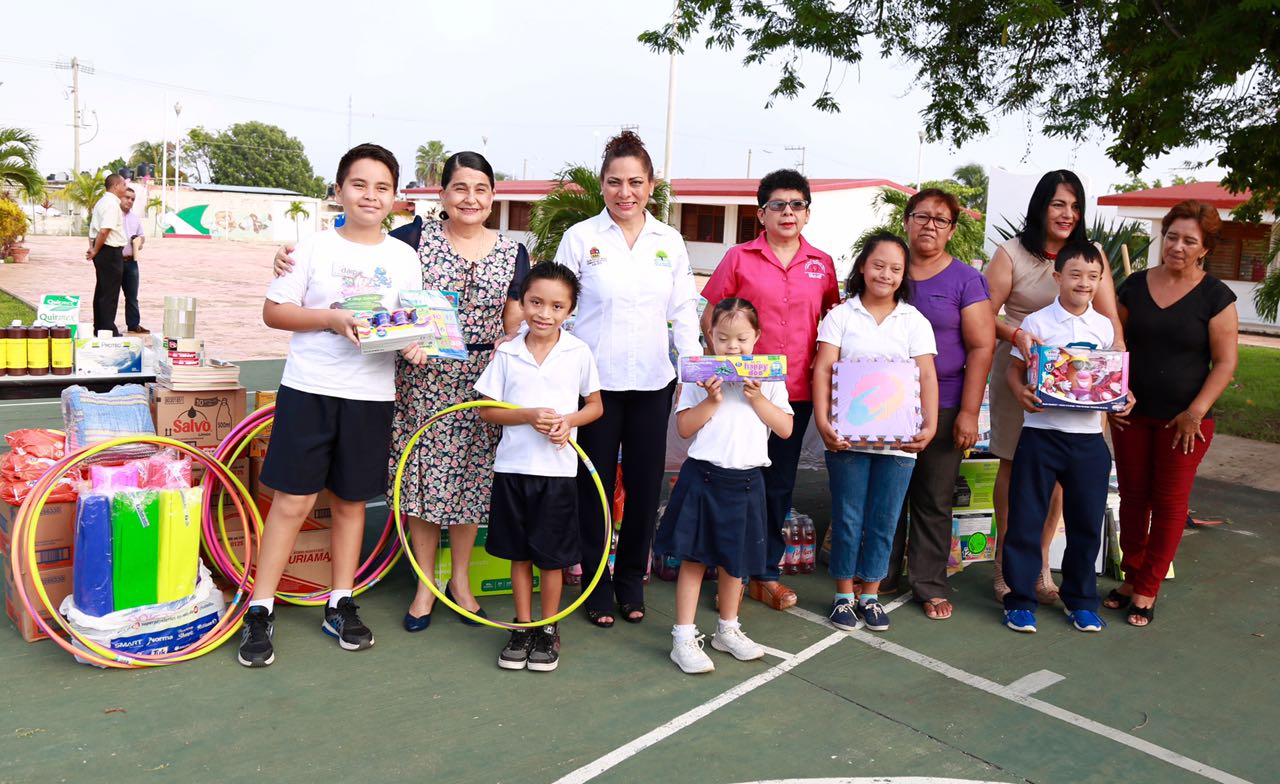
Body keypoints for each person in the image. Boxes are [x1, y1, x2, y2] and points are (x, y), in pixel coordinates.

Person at [275, 151, 527, 632]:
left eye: (480, 190)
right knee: (422, 484)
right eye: (459, 188)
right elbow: (358, 251)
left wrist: (510, 344)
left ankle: (460, 584)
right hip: (420, 374)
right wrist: (288, 257)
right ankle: (424, 586)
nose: (469, 199)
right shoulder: (412, 239)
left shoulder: (513, 251)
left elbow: (514, 317)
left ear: (492, 197)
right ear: (442, 195)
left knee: (470, 483)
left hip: (483, 379)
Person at [239, 143, 427, 667]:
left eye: (382, 187)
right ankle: (260, 606)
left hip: (371, 396)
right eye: (360, 184)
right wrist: (329, 319)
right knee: (292, 502)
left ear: (395, 197)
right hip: (311, 389)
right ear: (340, 189)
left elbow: (411, 326)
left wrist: (415, 345)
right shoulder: (311, 247)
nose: (371, 195)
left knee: (349, 502)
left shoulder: (403, 256)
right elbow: (274, 312)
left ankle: (340, 600)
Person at [555, 131, 701, 627]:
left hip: (653, 384)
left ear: (651, 185)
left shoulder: (670, 241)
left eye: (635, 182)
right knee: (592, 488)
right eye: (615, 182)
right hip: (595, 387)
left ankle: (630, 582)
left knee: (643, 488)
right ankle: (595, 587)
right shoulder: (581, 238)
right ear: (602, 185)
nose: (625, 192)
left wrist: (695, 366)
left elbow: (683, 309)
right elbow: (562, 311)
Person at [699, 169, 839, 612]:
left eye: (796, 204)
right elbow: (711, 318)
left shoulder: (822, 263)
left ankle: (762, 573)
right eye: (777, 204)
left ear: (808, 213)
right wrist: (724, 367)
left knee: (777, 486)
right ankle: (724, 571)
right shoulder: (739, 258)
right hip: (738, 392)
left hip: (791, 392)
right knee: (731, 479)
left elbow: (832, 322)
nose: (787, 212)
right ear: (761, 213)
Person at [984, 170, 1123, 604]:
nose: (1068, 214)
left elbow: (1111, 323)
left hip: (1081, 389)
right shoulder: (1011, 254)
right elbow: (984, 316)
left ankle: (1042, 565)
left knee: (1064, 480)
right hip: (1021, 376)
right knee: (1014, 466)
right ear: (1042, 206)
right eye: (1058, 204)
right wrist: (1018, 337)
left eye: (1075, 206)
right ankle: (1008, 566)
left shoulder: (1091, 254)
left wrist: (1116, 377)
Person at [1107, 200, 1238, 627]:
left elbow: (1225, 362)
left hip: (1186, 423)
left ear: (1204, 249)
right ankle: (1131, 577)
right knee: (1132, 499)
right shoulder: (1136, 285)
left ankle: (1148, 587)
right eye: (1172, 236)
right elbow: (1116, 343)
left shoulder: (1216, 297)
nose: (1177, 246)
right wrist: (1113, 395)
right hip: (1131, 415)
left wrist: (1194, 412)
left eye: (1189, 241)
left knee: (1168, 504)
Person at [474, 263, 603, 672]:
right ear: (523, 302)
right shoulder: (508, 352)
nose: (544, 313)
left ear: (569, 311)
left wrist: (569, 422)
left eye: (556, 305)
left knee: (551, 557)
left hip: (559, 473)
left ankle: (548, 626)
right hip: (513, 470)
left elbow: (595, 406)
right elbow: (486, 411)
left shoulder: (578, 352)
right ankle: (523, 624)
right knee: (519, 553)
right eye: (535, 302)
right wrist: (527, 414)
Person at [656, 298, 794, 673]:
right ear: (710, 339)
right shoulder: (700, 377)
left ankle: (727, 630)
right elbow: (684, 429)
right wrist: (713, 399)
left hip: (748, 481)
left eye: (741, 339)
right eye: (722, 338)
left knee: (737, 562)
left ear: (757, 338)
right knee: (695, 559)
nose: (732, 347)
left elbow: (784, 428)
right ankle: (683, 637)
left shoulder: (768, 378)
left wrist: (757, 397)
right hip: (703, 477)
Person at [1001, 241, 1132, 634]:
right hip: (1041, 435)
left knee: (1086, 524)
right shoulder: (1038, 323)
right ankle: (1019, 600)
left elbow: (1113, 380)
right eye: (1075, 275)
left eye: (1093, 277)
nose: (1084, 283)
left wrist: (1123, 396)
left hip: (1089, 441)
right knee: (1025, 520)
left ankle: (1081, 601)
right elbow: (1013, 370)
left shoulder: (1104, 326)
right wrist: (1020, 391)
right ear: (1058, 277)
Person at [812, 233, 938, 633]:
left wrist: (930, 424)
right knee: (848, 515)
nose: (885, 274)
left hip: (899, 443)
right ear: (863, 266)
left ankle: (871, 594)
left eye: (895, 269)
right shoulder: (842, 316)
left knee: (885, 518)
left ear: (904, 276)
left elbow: (926, 375)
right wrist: (822, 421)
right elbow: (823, 368)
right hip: (847, 438)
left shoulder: (913, 321)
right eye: (878, 265)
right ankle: (843, 596)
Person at [897, 188, 994, 620]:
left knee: (934, 497)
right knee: (887, 493)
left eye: (940, 219)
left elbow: (981, 347)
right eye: (922, 216)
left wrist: (970, 412)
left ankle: (928, 583)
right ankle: (876, 574)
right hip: (885, 404)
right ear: (906, 221)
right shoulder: (888, 268)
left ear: (952, 230)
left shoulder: (965, 280)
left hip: (949, 402)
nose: (930, 225)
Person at [85, 173, 128, 336]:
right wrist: (95, 250)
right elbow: (104, 230)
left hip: (103, 251)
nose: (125, 187)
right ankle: (107, 328)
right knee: (109, 292)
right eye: (123, 184)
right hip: (109, 251)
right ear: (116, 186)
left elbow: (94, 231)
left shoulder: (102, 202)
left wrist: (94, 248)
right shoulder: (111, 204)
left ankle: (100, 326)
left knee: (102, 290)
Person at [119, 187, 150, 335]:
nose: (130, 201)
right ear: (120, 197)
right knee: (110, 295)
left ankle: (133, 325)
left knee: (132, 296)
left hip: (131, 262)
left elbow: (142, 236)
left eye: (132, 199)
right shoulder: (113, 215)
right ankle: (107, 326)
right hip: (115, 261)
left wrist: (139, 241)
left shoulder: (134, 218)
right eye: (127, 197)